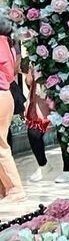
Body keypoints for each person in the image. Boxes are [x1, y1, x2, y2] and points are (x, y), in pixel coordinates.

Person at [20, 55, 69, 184]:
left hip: (62, 84)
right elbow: (28, 80)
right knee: (33, 132)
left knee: (63, 130)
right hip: (40, 90)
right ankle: (43, 165)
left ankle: (68, 170)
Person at [0, 19, 24, 204]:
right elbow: (10, 72)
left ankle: (15, 189)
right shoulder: (6, 43)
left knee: (1, 146)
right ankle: (5, 189)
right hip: (4, 94)